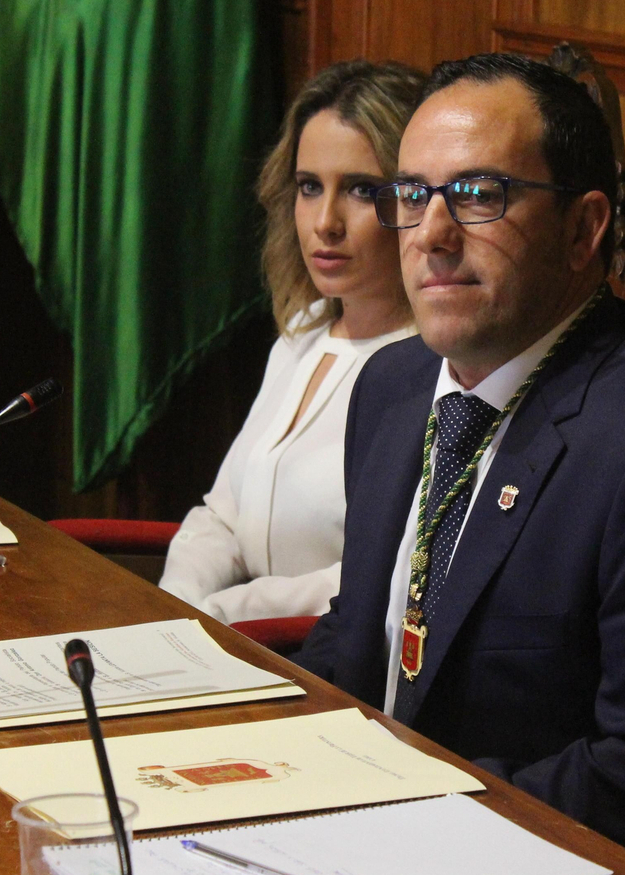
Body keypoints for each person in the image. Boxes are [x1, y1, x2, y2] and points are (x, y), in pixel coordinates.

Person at [293, 52, 625, 856]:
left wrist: (407, 818)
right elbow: (363, 634)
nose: (433, 235)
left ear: (585, 229)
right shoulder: (392, 385)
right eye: (414, 195)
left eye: (480, 196)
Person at [159, 61, 425, 624]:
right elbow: (221, 517)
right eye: (309, 187)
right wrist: (176, 605)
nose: (325, 221)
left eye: (360, 190)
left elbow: (386, 574)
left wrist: (228, 613)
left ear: (415, 203)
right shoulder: (303, 331)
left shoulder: (435, 371)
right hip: (228, 639)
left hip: (323, 664)